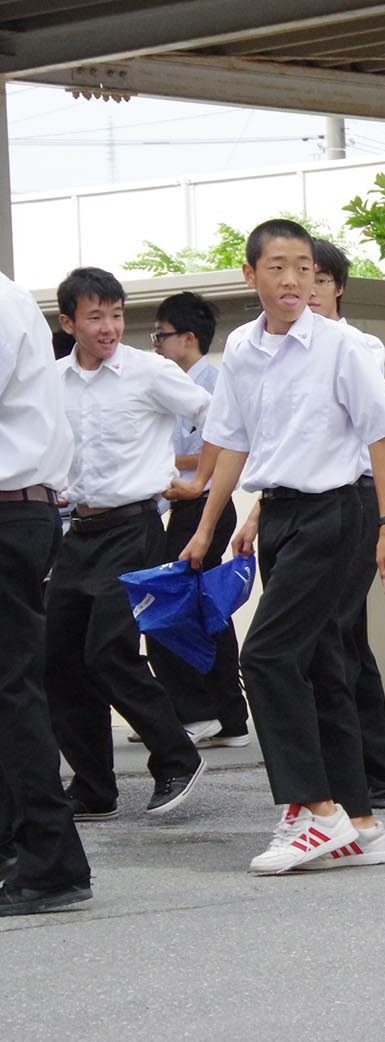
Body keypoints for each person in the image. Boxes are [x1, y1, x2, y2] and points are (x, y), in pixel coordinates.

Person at [173, 218, 385, 875]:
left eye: (304, 267)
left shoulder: (343, 345)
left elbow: (380, 436)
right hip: (281, 513)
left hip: (340, 510)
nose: (294, 280)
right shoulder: (243, 351)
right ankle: (360, 823)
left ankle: (313, 808)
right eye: (278, 267)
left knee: (268, 655)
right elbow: (236, 443)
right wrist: (207, 526)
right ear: (250, 276)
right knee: (318, 662)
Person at [48, 267, 211, 821]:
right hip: (77, 532)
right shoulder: (52, 381)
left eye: (116, 315)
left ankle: (176, 758)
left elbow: (216, 417)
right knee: (60, 659)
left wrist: (198, 482)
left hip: (135, 529)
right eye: (95, 317)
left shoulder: (148, 371)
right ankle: (94, 787)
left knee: (108, 652)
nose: (109, 327)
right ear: (69, 322)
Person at [305, 238, 385, 809]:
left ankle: (369, 776)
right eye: (302, 277)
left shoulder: (359, 345)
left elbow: (376, 439)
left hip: (356, 502)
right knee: (343, 640)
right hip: (304, 507)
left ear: (339, 286)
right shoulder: (284, 347)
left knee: (338, 637)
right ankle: (376, 772)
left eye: (321, 278)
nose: (311, 289)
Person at [0, 268, 93, 916]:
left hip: (8, 510)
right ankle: (21, 847)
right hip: (22, 509)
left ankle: (51, 856)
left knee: (11, 688)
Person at [147, 291, 250, 747]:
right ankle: (222, 714)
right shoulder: (180, 382)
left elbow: (221, 444)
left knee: (182, 605)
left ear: (188, 338)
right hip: (188, 507)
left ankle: (206, 710)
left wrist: (164, 464)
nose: (156, 344)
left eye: (162, 335)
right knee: (206, 609)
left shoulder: (209, 383)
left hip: (205, 506)